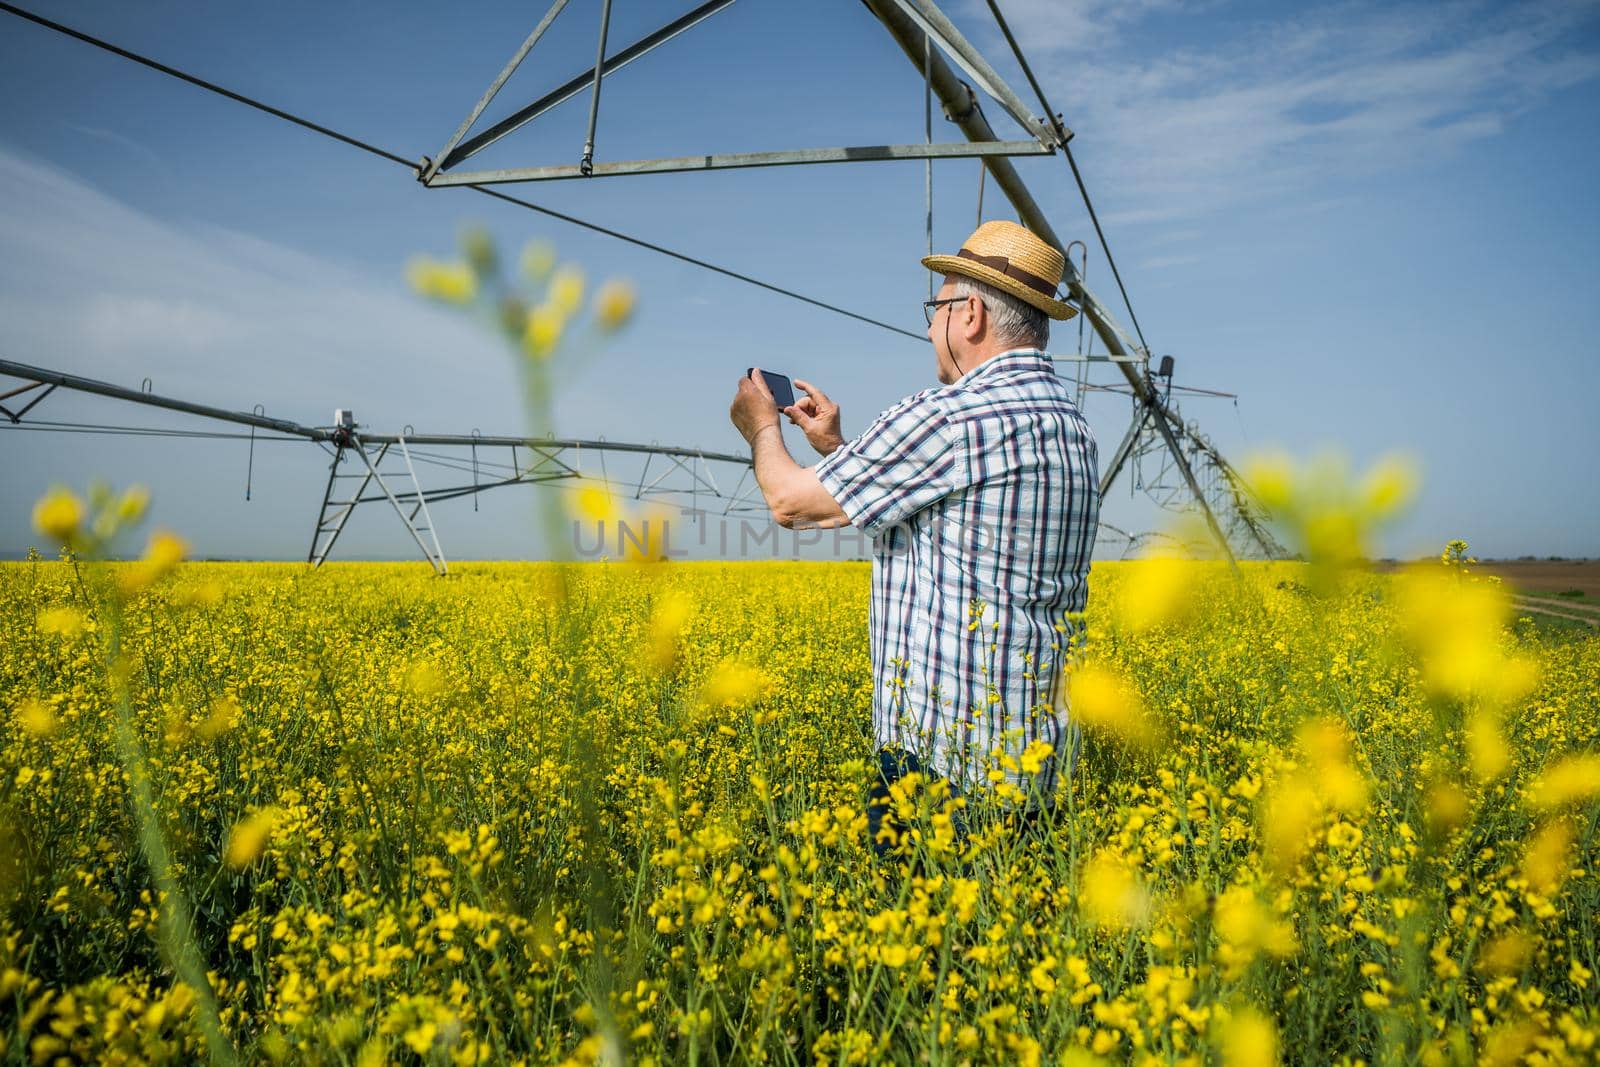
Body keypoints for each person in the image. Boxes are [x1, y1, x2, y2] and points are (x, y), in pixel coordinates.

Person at [727, 219, 1100, 857]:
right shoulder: (1073, 428)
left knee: (925, 950)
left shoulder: (947, 416)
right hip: (1039, 757)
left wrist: (762, 428)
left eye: (936, 309)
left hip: (945, 764)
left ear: (971, 315)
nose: (931, 327)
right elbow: (956, 513)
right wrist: (840, 452)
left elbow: (791, 504)